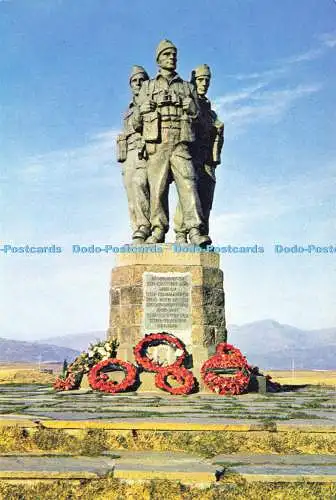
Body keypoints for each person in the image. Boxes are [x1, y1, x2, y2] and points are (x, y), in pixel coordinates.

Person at [134, 40, 211, 246]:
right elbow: (134, 123)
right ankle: (158, 229)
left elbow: (203, 123)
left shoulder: (187, 87)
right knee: (157, 188)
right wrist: (142, 110)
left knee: (188, 183)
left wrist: (192, 108)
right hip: (157, 142)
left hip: (181, 141)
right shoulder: (148, 86)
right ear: (158, 59)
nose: (172, 58)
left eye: (174, 55)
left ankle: (194, 229)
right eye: (167, 55)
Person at [174, 64, 224, 241]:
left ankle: (202, 233)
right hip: (191, 152)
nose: (204, 84)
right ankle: (181, 232)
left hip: (207, 157)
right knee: (188, 189)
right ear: (194, 80)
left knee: (205, 196)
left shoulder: (209, 110)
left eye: (207, 81)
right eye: (201, 80)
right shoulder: (188, 101)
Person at [116, 65, 151, 244]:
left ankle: (146, 228)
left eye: (141, 80)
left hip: (143, 151)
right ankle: (137, 231)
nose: (137, 83)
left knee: (140, 184)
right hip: (128, 152)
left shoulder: (150, 101)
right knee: (131, 196)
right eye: (134, 81)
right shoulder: (128, 108)